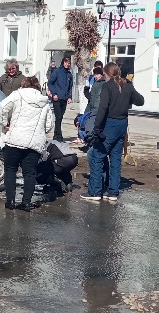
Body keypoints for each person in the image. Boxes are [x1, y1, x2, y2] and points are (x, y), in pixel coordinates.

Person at [82, 62, 144, 203]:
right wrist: (129, 86)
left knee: (95, 155)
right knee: (115, 159)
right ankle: (113, 193)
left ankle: (95, 192)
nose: (103, 76)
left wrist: (97, 128)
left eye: (104, 74)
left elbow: (103, 108)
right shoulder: (126, 86)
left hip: (110, 124)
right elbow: (140, 101)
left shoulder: (108, 86)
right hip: (122, 125)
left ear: (108, 74)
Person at [0, 76, 54, 212]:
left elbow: (2, 106)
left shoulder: (17, 95)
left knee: (10, 170)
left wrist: (4, 123)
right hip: (34, 143)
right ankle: (26, 203)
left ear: (23, 84)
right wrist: (40, 131)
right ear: (38, 87)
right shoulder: (44, 101)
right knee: (29, 174)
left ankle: (10, 201)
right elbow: (49, 125)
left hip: (15, 139)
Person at [46, 56, 73, 142]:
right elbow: (50, 83)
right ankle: (59, 136)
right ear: (63, 62)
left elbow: (70, 87)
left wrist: (69, 97)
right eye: (66, 62)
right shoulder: (57, 71)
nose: (67, 64)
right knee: (58, 116)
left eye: (68, 63)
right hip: (57, 98)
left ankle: (55, 135)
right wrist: (54, 93)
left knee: (60, 117)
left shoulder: (69, 74)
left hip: (64, 99)